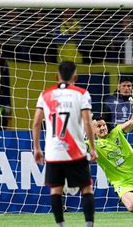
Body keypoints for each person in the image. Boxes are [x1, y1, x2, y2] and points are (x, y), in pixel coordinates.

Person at [32, 61, 97, 227]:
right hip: (76, 151)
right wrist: (93, 148)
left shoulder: (45, 94)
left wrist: (37, 148)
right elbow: (88, 122)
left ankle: (60, 225)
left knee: (56, 190)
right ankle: (89, 225)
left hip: (54, 152)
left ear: (57, 76)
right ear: (75, 77)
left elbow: (36, 123)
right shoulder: (82, 93)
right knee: (87, 189)